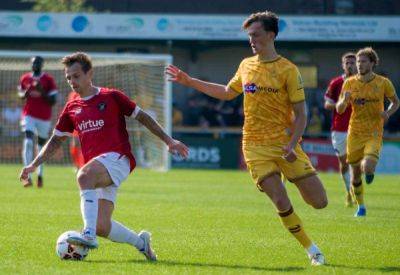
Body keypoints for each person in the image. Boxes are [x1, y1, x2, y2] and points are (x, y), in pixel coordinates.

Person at [166, 11, 327, 266]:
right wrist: (189, 81)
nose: (251, 40)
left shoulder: (288, 70)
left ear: (271, 35)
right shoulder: (246, 65)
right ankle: (312, 250)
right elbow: (228, 92)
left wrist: (291, 143)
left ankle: (288, 173)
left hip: (286, 146)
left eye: (256, 35)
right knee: (280, 199)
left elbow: (301, 114)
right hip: (253, 146)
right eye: (249, 36)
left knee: (319, 202)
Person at [19, 52, 189, 260]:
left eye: (76, 76)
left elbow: (142, 117)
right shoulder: (72, 108)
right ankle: (141, 242)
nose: (72, 81)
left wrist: (169, 141)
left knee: (83, 176)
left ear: (89, 73)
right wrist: (33, 165)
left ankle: (88, 235)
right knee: (102, 225)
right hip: (98, 166)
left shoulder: (112, 96)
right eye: (68, 78)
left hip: (119, 158)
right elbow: (55, 140)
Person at [336, 47, 399, 217]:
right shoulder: (349, 83)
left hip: (374, 132)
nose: (359, 64)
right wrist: (344, 100)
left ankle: (370, 171)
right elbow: (340, 109)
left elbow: (396, 102)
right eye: (358, 62)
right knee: (355, 175)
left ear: (372, 63)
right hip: (354, 132)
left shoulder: (383, 82)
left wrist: (387, 113)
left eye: (363, 61)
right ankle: (361, 207)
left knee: (367, 166)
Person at [18, 56, 58, 188]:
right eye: (33, 62)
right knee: (28, 141)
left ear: (42, 64)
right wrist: (28, 91)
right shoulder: (25, 78)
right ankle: (27, 177)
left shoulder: (48, 80)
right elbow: (20, 95)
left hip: (44, 117)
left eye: (38, 62)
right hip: (28, 115)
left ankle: (40, 175)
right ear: (30, 64)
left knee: (41, 147)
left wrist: (41, 90)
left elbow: (53, 101)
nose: (35, 64)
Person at [324, 52, 357, 207]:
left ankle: (356, 190)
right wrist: (339, 104)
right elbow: (327, 104)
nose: (350, 65)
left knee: (356, 162)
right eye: (347, 63)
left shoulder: (362, 83)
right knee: (344, 163)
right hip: (339, 129)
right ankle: (348, 191)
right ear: (343, 65)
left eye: (353, 62)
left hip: (358, 128)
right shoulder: (336, 83)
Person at [67, 91, 85, 170]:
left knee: (82, 145)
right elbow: (70, 108)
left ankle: (82, 165)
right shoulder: (72, 94)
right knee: (75, 144)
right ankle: (77, 165)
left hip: (86, 122)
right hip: (76, 123)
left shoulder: (88, 92)